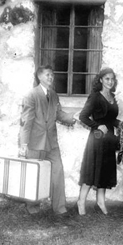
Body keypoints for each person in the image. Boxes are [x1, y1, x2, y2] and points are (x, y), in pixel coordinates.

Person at [19, 65, 76, 215]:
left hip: (51, 143)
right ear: (39, 77)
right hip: (34, 143)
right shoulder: (31, 95)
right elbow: (26, 122)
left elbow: (59, 114)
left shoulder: (54, 95)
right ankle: (32, 207)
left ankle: (60, 208)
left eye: (52, 75)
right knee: (33, 176)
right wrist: (23, 145)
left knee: (57, 173)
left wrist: (73, 117)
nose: (50, 77)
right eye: (47, 75)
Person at [77, 67, 120, 215]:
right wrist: (97, 126)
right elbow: (83, 116)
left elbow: (111, 119)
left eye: (112, 79)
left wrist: (120, 124)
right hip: (97, 139)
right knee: (92, 171)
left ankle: (100, 201)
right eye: (107, 78)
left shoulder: (112, 97)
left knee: (105, 171)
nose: (110, 81)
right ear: (101, 79)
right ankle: (81, 201)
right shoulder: (95, 97)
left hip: (109, 139)